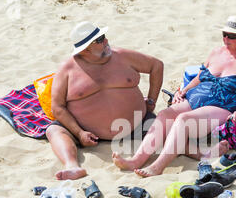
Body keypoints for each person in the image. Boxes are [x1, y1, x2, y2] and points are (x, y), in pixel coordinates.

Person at [112, 16, 236, 177]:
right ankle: (136, 160)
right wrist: (183, 90)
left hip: (224, 106)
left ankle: (158, 167)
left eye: (232, 36)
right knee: (165, 115)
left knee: (183, 120)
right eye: (224, 34)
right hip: (196, 98)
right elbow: (200, 77)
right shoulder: (216, 52)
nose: (226, 38)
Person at [47, 21, 163, 180]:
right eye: (100, 40)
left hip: (136, 124)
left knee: (164, 126)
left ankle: (139, 161)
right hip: (88, 132)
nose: (106, 41)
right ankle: (72, 165)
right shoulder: (67, 70)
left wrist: (151, 100)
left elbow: (156, 66)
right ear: (86, 48)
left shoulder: (122, 56)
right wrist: (79, 133)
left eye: (104, 37)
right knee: (54, 130)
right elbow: (57, 107)